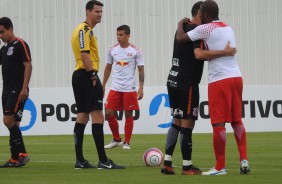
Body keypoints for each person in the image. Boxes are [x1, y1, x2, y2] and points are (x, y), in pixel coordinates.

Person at [161, 1, 237, 175]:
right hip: (187, 82)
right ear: (199, 13)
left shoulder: (182, 28)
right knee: (188, 122)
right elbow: (199, 54)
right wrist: (223, 53)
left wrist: (180, 22)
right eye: (204, 14)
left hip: (173, 78)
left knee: (176, 121)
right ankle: (187, 167)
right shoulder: (196, 32)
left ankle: (167, 163)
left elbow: (181, 40)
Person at [176, 0, 250, 175]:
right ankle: (244, 160)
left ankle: (220, 167)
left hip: (220, 80)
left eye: (201, 13)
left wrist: (180, 23)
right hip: (236, 77)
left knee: (218, 122)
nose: (199, 16)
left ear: (206, 15)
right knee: (237, 120)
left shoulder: (206, 28)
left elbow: (182, 39)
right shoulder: (227, 26)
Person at [71, 0, 124, 169]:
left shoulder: (86, 30)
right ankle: (103, 160)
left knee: (82, 115)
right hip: (86, 75)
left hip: (81, 75)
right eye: (96, 11)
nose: (100, 14)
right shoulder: (84, 30)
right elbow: (84, 53)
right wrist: (92, 74)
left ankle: (80, 160)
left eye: (101, 11)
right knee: (98, 115)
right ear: (88, 12)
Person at [103, 25, 144, 150]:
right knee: (108, 111)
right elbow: (108, 67)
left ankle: (127, 142)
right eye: (117, 35)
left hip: (129, 88)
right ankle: (116, 139)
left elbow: (141, 69)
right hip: (115, 87)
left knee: (128, 114)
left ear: (128, 35)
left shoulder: (136, 51)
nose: (118, 37)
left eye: (121, 35)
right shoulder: (112, 50)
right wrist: (103, 84)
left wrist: (141, 87)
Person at [0, 17, 32, 168]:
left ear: (10, 29)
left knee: (7, 120)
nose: (1, 35)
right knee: (14, 124)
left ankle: (23, 154)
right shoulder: (4, 49)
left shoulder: (20, 44)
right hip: (6, 90)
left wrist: (24, 87)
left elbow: (28, 66)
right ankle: (14, 158)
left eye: (2, 32)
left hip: (18, 90)